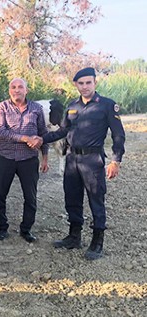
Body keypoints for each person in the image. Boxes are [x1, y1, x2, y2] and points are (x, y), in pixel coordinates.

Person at [38, 67, 125, 260]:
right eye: (81, 83)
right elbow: (62, 131)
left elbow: (118, 135)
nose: (84, 87)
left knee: (96, 199)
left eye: (88, 82)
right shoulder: (72, 106)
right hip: (72, 159)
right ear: (76, 85)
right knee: (72, 199)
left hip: (93, 161)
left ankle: (97, 242)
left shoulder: (107, 106)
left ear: (95, 83)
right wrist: (40, 139)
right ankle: (74, 236)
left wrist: (115, 161)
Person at [0, 78, 49, 243]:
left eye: (20, 87)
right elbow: (1, 132)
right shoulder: (1, 107)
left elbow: (42, 133)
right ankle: (2, 227)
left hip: (29, 159)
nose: (16, 90)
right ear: (9, 90)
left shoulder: (37, 109)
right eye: (13, 87)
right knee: (0, 195)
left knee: (30, 197)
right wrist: (25, 138)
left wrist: (45, 156)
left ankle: (26, 229)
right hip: (5, 158)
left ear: (26, 90)